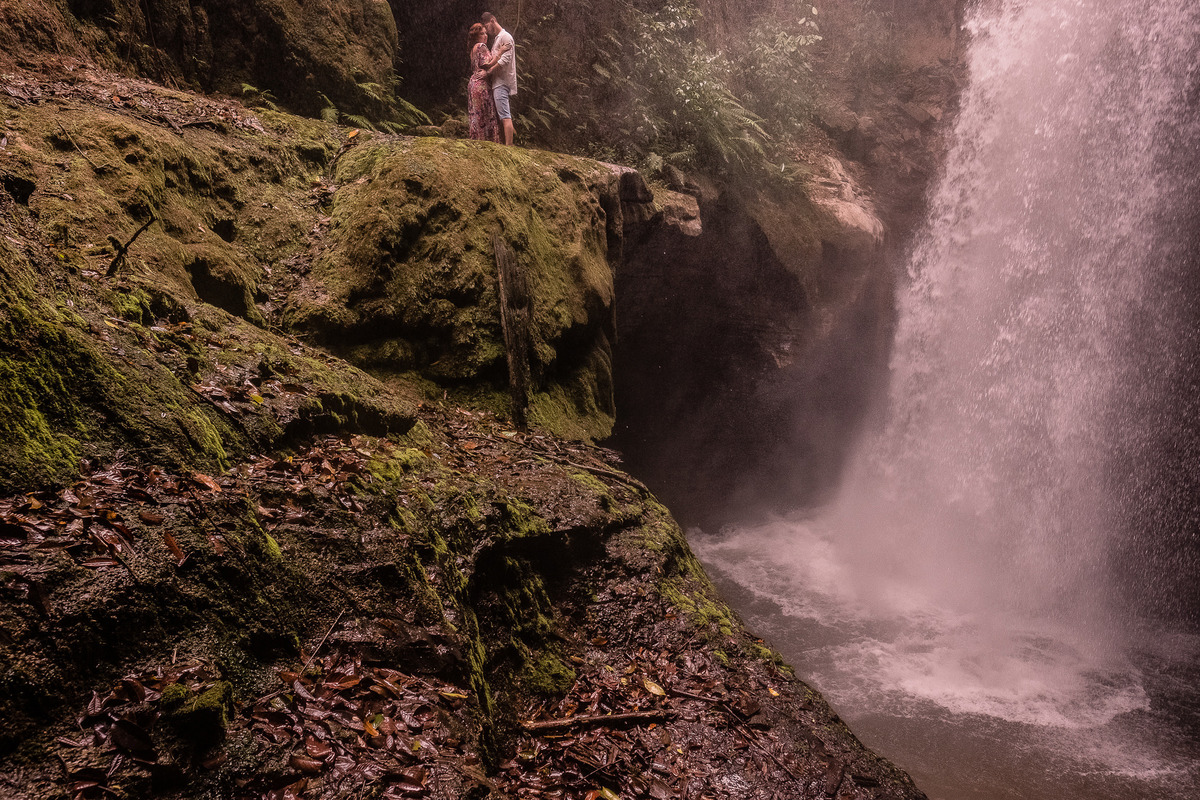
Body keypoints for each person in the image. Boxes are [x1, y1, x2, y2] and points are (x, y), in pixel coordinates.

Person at [482, 11, 517, 146]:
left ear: (492, 20)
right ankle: (507, 142)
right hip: (497, 81)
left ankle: (509, 146)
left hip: (501, 82)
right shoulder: (498, 38)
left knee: (504, 115)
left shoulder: (505, 37)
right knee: (502, 114)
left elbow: (504, 61)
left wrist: (489, 72)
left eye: (487, 26)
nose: (487, 31)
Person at [467, 23, 502, 142]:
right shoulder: (481, 46)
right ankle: (488, 141)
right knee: (485, 115)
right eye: (482, 33)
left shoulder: (473, 48)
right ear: (476, 36)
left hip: (473, 83)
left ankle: (478, 141)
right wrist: (500, 53)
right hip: (480, 85)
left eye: (486, 33)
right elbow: (488, 64)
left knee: (476, 115)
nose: (485, 36)